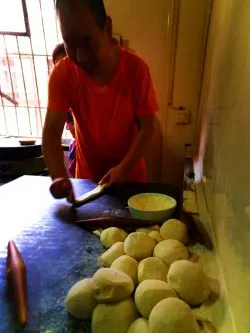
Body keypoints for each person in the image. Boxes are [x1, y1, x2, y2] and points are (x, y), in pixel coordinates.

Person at [42, 0, 158, 201]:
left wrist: (125, 166)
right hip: (87, 184)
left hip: (130, 181)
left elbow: (148, 127)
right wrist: (58, 176)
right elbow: (51, 132)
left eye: (87, 41)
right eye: (69, 43)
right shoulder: (62, 74)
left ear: (107, 28)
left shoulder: (136, 70)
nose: (80, 57)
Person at [52, 43, 76, 177]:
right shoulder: (61, 95)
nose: (62, 68)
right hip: (81, 149)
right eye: (58, 64)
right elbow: (52, 132)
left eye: (65, 61)